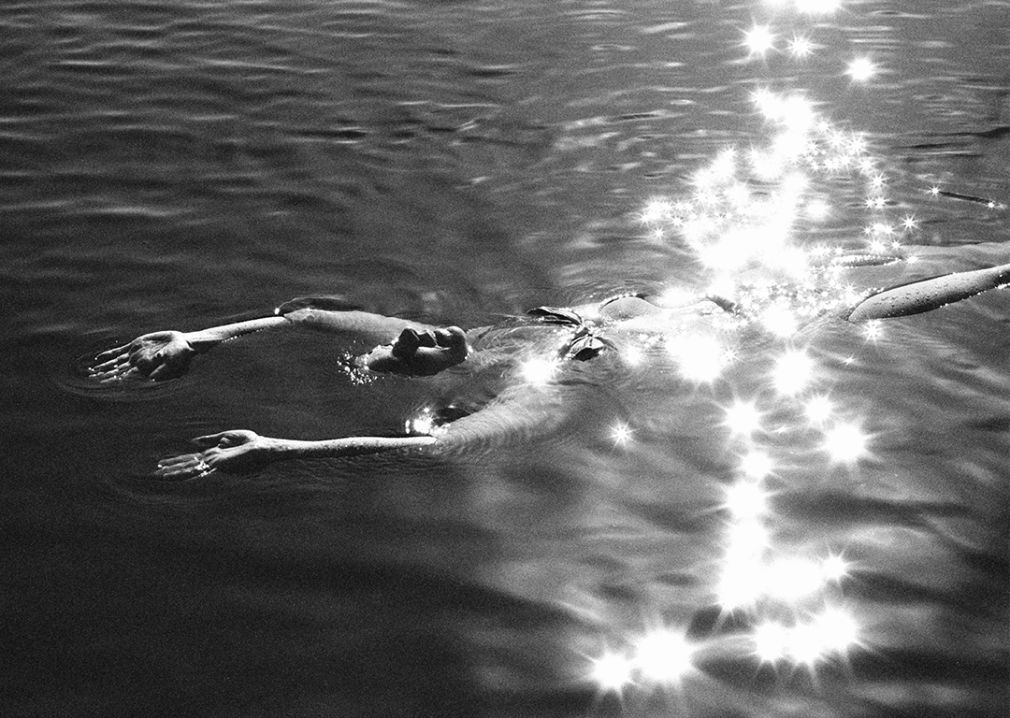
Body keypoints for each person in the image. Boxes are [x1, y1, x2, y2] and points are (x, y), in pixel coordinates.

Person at [88, 261, 1009, 480]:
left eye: (415, 335)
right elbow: (433, 447)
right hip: (731, 336)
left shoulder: (467, 340)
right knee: (859, 312)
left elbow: (315, 315)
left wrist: (204, 337)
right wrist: (280, 449)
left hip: (678, 300)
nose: (421, 335)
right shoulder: (534, 396)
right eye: (417, 347)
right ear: (431, 371)